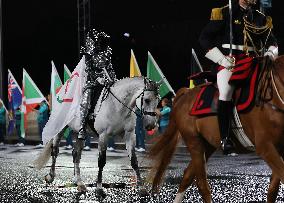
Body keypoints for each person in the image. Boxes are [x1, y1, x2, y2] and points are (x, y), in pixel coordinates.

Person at [198, 0, 278, 154]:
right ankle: (225, 138)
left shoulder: (259, 17)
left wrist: (269, 53)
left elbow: (272, 42)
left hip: (254, 62)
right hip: (230, 62)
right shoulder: (224, 13)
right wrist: (221, 59)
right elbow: (204, 39)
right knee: (226, 92)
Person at [78, 29, 116, 140]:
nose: (100, 44)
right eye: (98, 42)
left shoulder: (106, 55)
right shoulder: (89, 55)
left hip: (106, 82)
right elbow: (88, 69)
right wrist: (97, 78)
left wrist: (113, 78)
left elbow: (110, 69)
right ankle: (82, 127)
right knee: (86, 101)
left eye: (102, 42)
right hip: (92, 82)